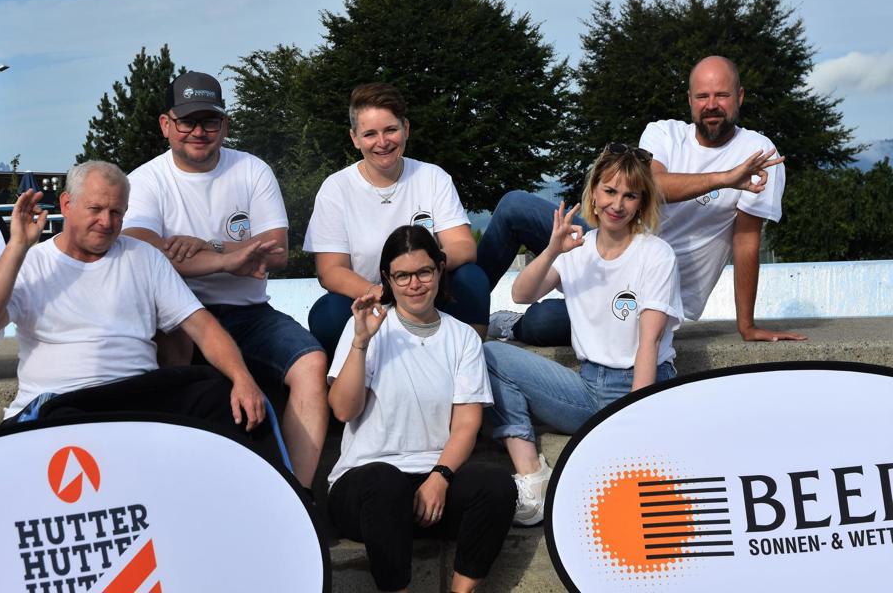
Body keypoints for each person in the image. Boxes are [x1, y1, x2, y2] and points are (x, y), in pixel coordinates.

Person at [476, 55, 805, 344]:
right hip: (610, 239)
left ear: (740, 97)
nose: (712, 104)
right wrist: (726, 178)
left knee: (544, 321)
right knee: (514, 206)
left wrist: (746, 326)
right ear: (690, 99)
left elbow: (746, 240)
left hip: (650, 289)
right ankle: (462, 319)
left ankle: (512, 325)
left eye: (722, 95)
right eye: (703, 96)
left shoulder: (759, 153)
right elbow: (653, 186)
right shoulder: (664, 133)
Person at [0, 161, 280, 462]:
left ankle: (284, 502)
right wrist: (17, 245)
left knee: (225, 397)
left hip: (136, 394)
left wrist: (242, 379)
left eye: (116, 212)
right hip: (60, 400)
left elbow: (203, 327)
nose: (106, 222)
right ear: (66, 204)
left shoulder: (144, 257)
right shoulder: (32, 263)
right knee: (68, 425)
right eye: (96, 209)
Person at [121, 71, 328, 490]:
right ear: (166, 125)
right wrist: (228, 260)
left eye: (209, 121)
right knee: (170, 360)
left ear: (224, 125)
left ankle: (296, 493)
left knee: (312, 362)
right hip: (177, 317)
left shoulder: (252, 170)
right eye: (187, 121)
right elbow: (143, 254)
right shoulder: (145, 180)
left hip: (248, 314)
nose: (198, 132)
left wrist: (206, 247)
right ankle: (167, 484)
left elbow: (278, 252)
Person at [483, 144, 683, 526]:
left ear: (642, 203)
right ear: (593, 192)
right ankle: (531, 475)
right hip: (588, 387)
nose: (617, 204)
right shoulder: (576, 248)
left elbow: (649, 344)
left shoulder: (655, 255)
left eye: (629, 195)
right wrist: (552, 250)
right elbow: (521, 294)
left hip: (641, 386)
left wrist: (632, 424)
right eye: (609, 191)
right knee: (489, 356)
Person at [326, 226, 516, 593]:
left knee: (496, 486)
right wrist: (361, 343)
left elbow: (466, 423)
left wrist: (440, 476)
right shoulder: (365, 326)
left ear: (439, 271)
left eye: (424, 272)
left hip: (431, 491)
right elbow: (343, 411)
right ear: (387, 279)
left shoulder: (462, 337)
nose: (414, 284)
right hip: (366, 490)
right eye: (402, 275)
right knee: (386, 481)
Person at [303, 82, 489, 354]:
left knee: (472, 279)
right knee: (328, 313)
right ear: (354, 138)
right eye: (370, 134)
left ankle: (469, 361)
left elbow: (463, 246)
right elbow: (330, 271)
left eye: (391, 129)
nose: (382, 142)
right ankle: (351, 376)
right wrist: (383, 290)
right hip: (373, 298)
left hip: (427, 294)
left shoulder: (432, 177)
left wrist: (419, 275)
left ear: (406, 129)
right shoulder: (336, 188)